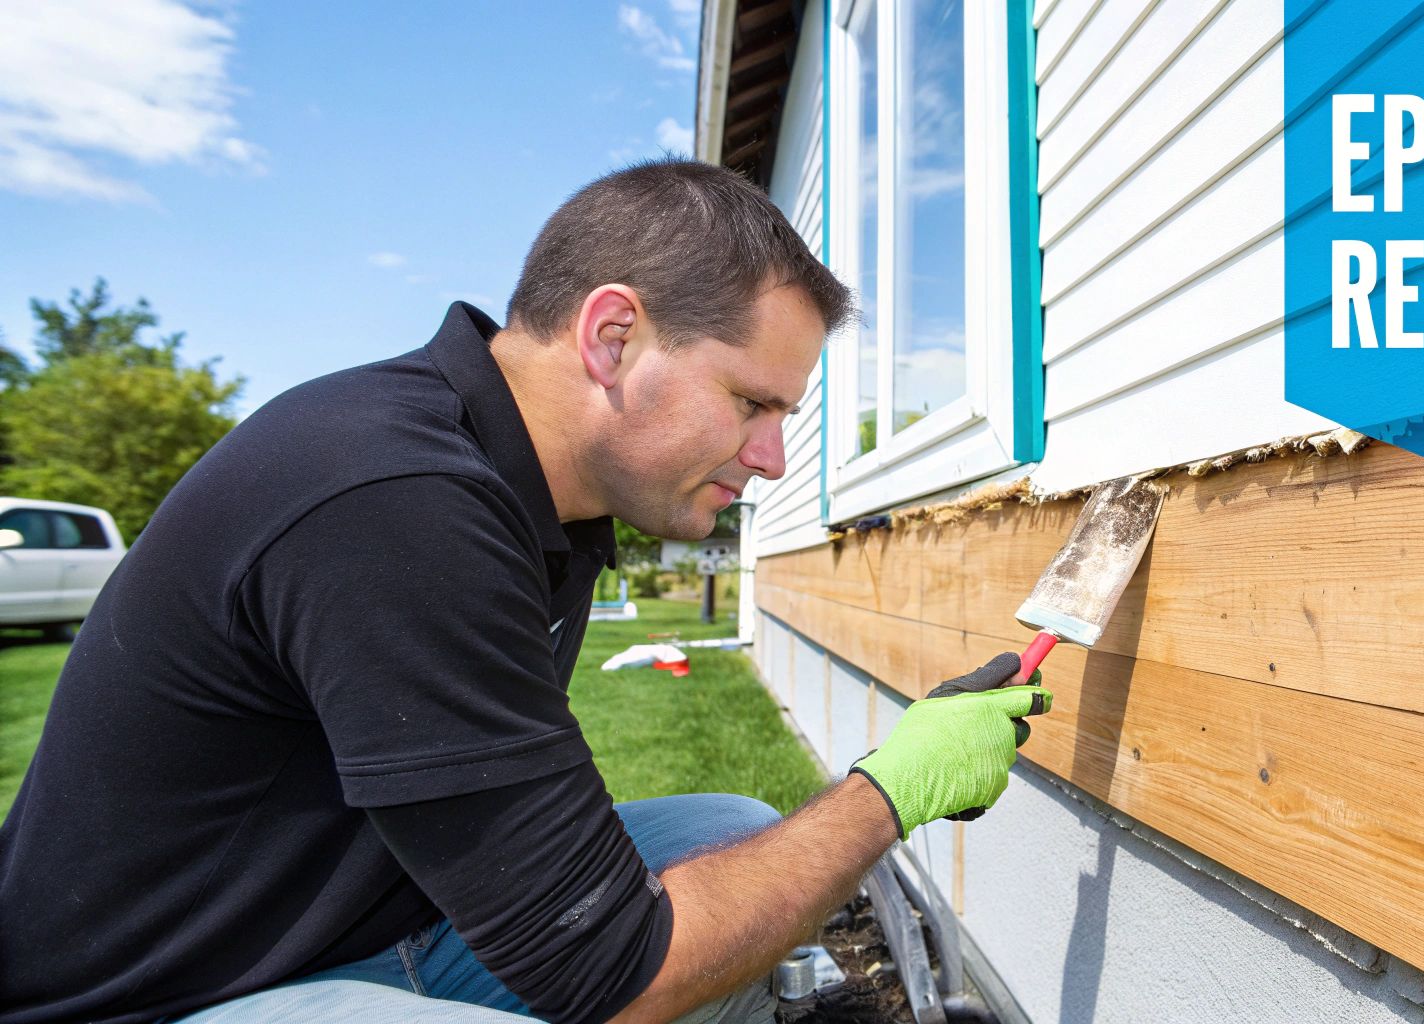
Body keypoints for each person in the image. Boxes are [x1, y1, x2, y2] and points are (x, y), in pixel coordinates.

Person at [0, 159, 1052, 1024]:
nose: (774, 457)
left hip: (365, 922)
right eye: (749, 401)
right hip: (174, 996)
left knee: (728, 830)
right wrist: (888, 790)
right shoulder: (394, 502)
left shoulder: (545, 500)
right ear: (612, 337)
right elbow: (611, 972)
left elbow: (557, 884)